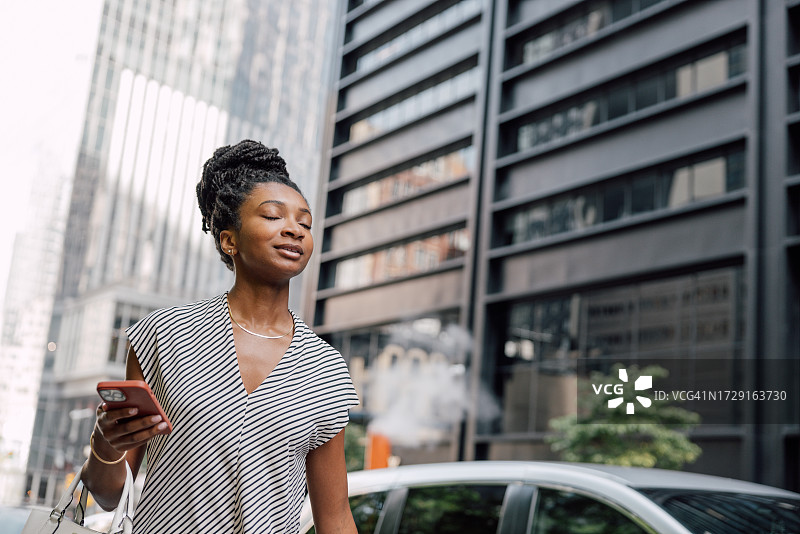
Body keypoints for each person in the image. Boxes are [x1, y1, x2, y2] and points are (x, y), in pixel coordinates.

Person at [81, 140, 360, 533]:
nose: (294, 229)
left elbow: (335, 517)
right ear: (229, 240)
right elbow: (108, 495)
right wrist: (106, 440)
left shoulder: (326, 369)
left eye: (305, 222)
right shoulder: (164, 335)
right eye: (272, 216)